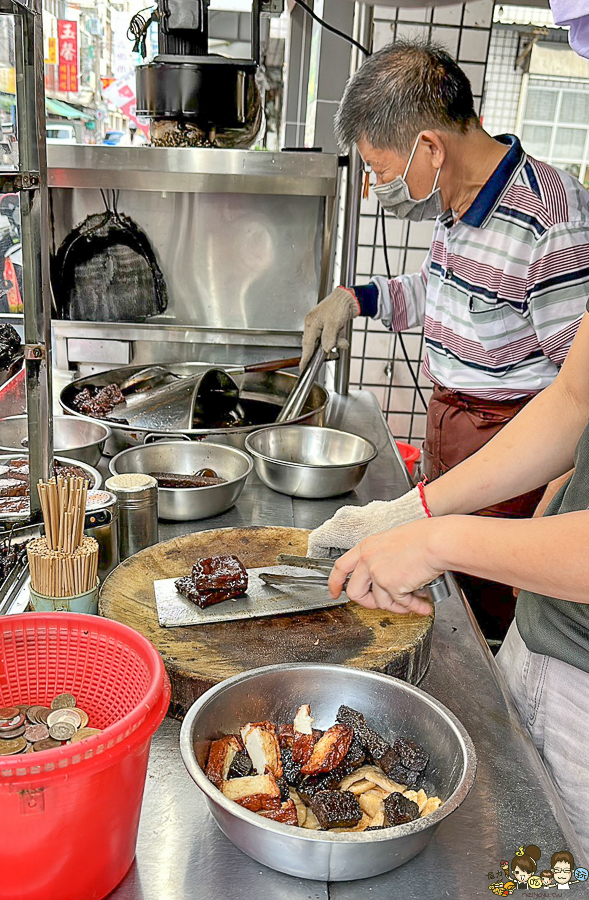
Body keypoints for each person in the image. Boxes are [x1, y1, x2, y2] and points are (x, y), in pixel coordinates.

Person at [302, 41, 589, 640]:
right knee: (450, 599)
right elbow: (443, 292)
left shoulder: (550, 217)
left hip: (515, 456)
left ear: (430, 147)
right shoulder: (456, 205)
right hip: (455, 438)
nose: (375, 189)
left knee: (490, 624)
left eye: (380, 172)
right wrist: (360, 298)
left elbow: (576, 399)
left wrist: (549, 511)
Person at [319, 304, 589, 856]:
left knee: (554, 880)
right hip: (540, 638)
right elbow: (574, 400)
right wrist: (415, 510)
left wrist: (437, 542)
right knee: (504, 858)